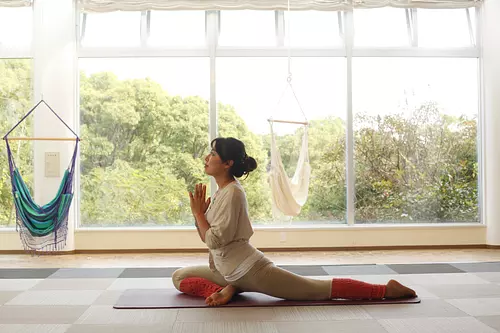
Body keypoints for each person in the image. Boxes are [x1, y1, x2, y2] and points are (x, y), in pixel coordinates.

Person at [172, 137, 416, 306]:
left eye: (213, 154)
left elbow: (216, 239)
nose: (206, 157)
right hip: (227, 272)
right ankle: (228, 289)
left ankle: (385, 290)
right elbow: (208, 238)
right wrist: (200, 217)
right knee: (180, 277)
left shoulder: (234, 193)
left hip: (251, 270)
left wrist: (199, 216)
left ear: (228, 163)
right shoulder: (220, 193)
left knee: (316, 289)